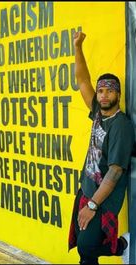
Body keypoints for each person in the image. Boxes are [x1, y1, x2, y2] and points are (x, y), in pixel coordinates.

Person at [68, 32, 135, 265]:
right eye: (101, 91)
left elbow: (115, 171)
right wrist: (78, 46)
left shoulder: (121, 125)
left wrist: (93, 205)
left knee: (87, 245)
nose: (104, 95)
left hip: (102, 199)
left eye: (109, 90)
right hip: (87, 190)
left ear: (117, 93)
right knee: (84, 252)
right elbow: (83, 81)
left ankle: (123, 245)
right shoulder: (98, 113)